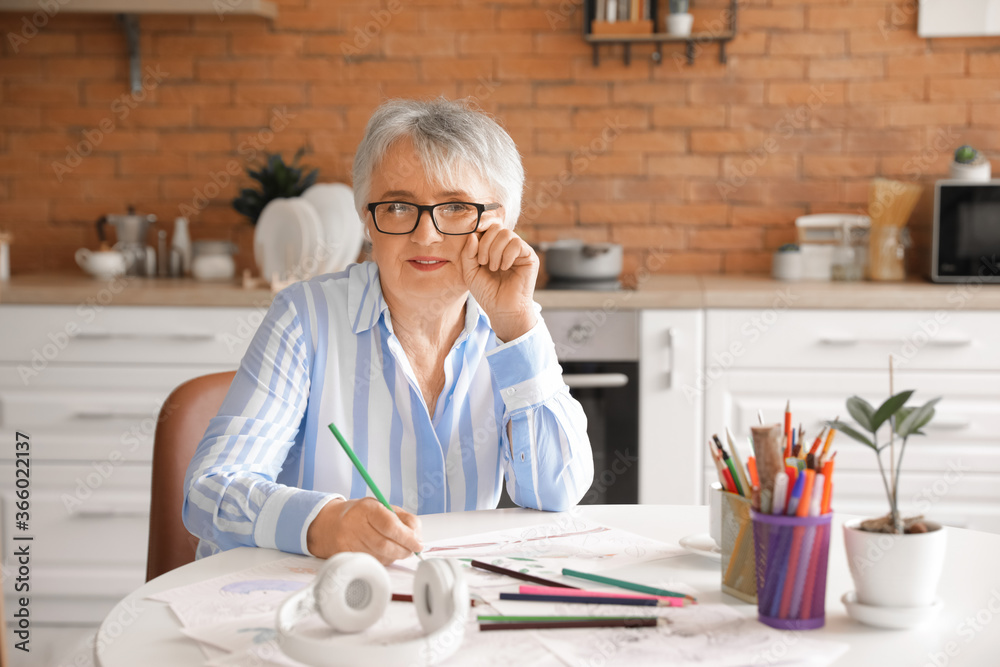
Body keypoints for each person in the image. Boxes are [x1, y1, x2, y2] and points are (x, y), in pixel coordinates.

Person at [183, 98, 593, 565]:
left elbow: (555, 493)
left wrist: (517, 326)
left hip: (452, 603)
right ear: (367, 220)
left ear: (498, 224)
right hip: (318, 604)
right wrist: (322, 524)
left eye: (456, 207)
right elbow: (210, 490)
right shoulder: (305, 317)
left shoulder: (507, 328)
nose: (425, 236)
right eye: (398, 206)